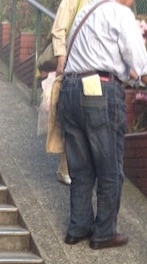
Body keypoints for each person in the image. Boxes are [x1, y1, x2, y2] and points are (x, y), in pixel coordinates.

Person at [58, 0, 147, 249]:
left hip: (69, 90)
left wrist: (125, 73)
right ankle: (103, 233)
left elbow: (94, 54)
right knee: (110, 167)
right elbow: (141, 63)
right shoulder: (120, 13)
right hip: (99, 93)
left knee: (80, 169)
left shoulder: (87, 11)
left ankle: (77, 227)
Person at [49, 0, 92, 184]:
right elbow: (59, 28)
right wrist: (61, 58)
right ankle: (66, 166)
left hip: (95, 67)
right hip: (73, 65)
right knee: (71, 116)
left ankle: (77, 167)